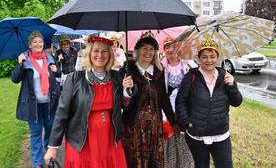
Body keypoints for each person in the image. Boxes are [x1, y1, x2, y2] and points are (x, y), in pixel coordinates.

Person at [44, 35, 133, 168]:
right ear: (89, 53)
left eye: (104, 51)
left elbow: (124, 104)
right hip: (82, 138)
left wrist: (126, 90)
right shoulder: (74, 79)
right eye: (96, 51)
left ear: (110, 55)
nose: (100, 55)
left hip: (109, 137)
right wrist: (53, 146)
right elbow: (62, 114)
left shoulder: (116, 77)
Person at [175, 36, 243, 168]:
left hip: (221, 135)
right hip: (197, 136)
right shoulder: (191, 77)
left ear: (217, 57)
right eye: (204, 56)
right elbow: (180, 102)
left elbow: (237, 102)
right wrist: (187, 123)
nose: (209, 60)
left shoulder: (225, 77)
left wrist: (232, 85)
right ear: (199, 58)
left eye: (212, 56)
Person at [120, 34, 178, 168]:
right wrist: (125, 90)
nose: (148, 52)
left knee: (153, 159)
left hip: (154, 126)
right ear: (138, 51)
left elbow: (163, 98)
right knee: (135, 160)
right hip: (134, 126)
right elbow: (123, 103)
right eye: (144, 48)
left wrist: (173, 121)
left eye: (151, 49)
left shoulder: (158, 71)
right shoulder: (128, 69)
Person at [11, 30, 60, 168]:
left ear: (43, 43)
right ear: (30, 44)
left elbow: (57, 75)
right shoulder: (25, 60)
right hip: (34, 105)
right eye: (35, 42)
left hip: (50, 103)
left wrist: (57, 70)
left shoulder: (50, 57)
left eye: (40, 41)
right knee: (36, 133)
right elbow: (15, 79)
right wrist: (19, 64)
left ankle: (48, 154)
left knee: (50, 130)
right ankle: (37, 163)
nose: (38, 44)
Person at [161, 36, 196, 168]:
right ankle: (170, 163)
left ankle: (185, 164)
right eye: (167, 47)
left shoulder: (188, 64)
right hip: (167, 108)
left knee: (184, 138)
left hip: (185, 108)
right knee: (169, 137)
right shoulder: (160, 66)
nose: (170, 49)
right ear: (164, 50)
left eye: (173, 46)